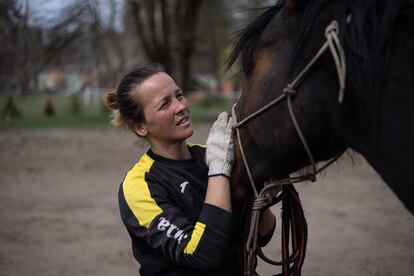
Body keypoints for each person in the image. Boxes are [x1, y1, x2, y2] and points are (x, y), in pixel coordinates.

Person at [104, 64, 276, 275]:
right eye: (165, 104)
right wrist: (219, 171)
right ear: (140, 126)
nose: (180, 106)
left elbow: (263, 235)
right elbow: (202, 255)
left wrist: (256, 190)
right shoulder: (139, 186)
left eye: (179, 95)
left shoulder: (213, 155)